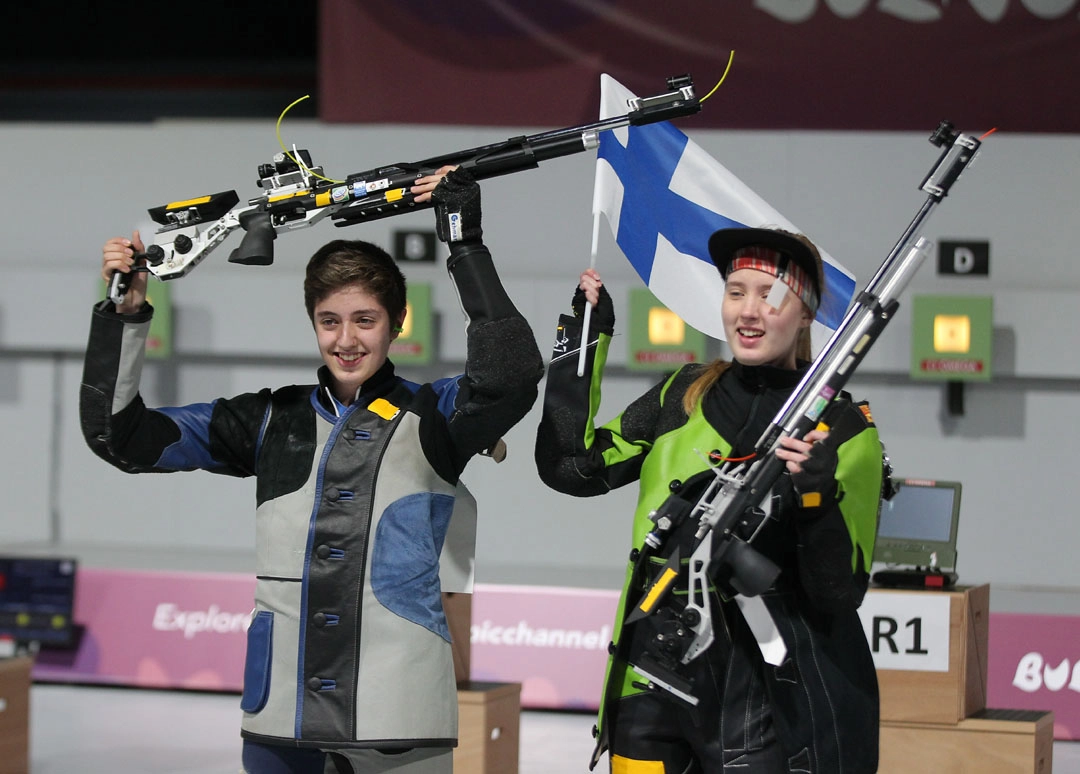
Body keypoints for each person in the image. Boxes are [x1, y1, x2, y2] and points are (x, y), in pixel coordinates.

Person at [80, 167, 545, 774]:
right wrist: (124, 312)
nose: (346, 339)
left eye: (365, 320)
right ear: (314, 324)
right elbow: (121, 438)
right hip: (281, 717)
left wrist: (464, 241)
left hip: (397, 717)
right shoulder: (271, 417)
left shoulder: (435, 412)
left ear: (396, 324)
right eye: (330, 320)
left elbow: (511, 377)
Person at [535, 227, 886, 773]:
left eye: (770, 296)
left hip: (766, 701)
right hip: (650, 680)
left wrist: (816, 494)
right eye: (736, 291)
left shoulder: (841, 428)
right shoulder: (685, 392)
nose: (748, 311)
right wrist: (583, 338)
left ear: (806, 315)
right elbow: (571, 467)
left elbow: (837, 594)